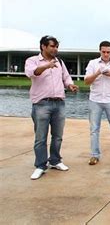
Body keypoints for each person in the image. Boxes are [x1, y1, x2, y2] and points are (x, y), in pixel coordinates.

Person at [25, 35, 79, 180]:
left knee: (58, 136)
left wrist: (70, 85)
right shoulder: (32, 61)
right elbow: (32, 73)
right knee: (40, 137)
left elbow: (66, 77)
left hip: (59, 103)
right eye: (52, 46)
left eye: (56, 47)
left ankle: (55, 160)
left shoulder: (59, 61)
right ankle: (40, 165)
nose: (55, 49)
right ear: (43, 46)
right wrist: (45, 66)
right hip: (41, 104)